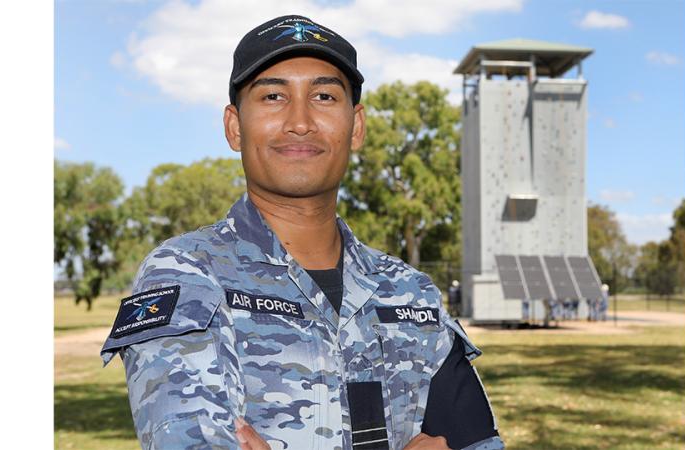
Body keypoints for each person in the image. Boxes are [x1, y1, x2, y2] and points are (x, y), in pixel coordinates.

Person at [101, 14, 505, 450]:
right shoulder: (186, 273)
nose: (300, 121)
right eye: (273, 95)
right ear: (235, 127)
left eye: (325, 96)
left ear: (357, 126)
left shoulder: (410, 293)